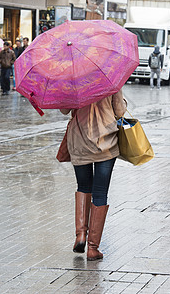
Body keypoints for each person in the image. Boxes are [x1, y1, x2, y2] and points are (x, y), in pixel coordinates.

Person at [60, 90, 127, 261]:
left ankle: (81, 235)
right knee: (100, 192)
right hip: (106, 142)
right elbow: (120, 111)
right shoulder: (109, 79)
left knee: (83, 186)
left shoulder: (72, 80)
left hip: (79, 140)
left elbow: (64, 110)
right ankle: (92, 248)